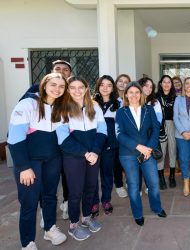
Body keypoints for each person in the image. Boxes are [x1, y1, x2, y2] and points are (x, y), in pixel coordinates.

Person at [8, 73, 68, 249]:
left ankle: (49, 229)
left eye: (61, 86)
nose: (57, 89)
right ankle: (27, 242)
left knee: (50, 197)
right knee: (29, 203)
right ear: (44, 85)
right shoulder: (27, 104)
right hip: (29, 163)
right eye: (53, 84)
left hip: (52, 160)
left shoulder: (61, 107)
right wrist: (24, 167)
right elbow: (15, 139)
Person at [20, 59, 72, 221]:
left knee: (67, 177)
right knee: (44, 183)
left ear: (70, 74)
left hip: (64, 146)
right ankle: (45, 211)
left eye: (65, 70)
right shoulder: (35, 92)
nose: (62, 72)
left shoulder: (71, 91)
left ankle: (67, 203)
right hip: (42, 149)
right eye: (58, 69)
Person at [56, 76, 106, 241]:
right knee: (75, 191)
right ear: (68, 90)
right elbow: (63, 138)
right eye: (73, 87)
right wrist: (85, 153)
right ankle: (74, 225)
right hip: (74, 157)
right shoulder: (62, 108)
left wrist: (96, 152)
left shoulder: (95, 107)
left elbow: (102, 130)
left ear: (86, 89)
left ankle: (86, 218)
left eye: (80, 87)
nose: (77, 91)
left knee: (90, 188)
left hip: (93, 155)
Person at [115, 82, 167, 226]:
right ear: (126, 94)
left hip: (148, 153)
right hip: (128, 154)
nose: (134, 95)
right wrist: (139, 147)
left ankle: (156, 207)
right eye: (130, 92)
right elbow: (119, 134)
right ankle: (137, 213)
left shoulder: (149, 109)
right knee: (133, 185)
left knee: (154, 182)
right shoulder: (121, 112)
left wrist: (148, 148)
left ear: (141, 94)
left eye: (137, 92)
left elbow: (156, 130)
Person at [91, 75, 120, 217]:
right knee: (92, 176)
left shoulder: (118, 103)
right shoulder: (90, 103)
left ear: (113, 87)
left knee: (107, 174)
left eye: (109, 85)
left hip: (110, 144)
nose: (105, 88)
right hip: (93, 145)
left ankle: (106, 200)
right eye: (102, 84)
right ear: (98, 86)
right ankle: (94, 202)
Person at [138, 77, 168, 189]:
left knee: (148, 161)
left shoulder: (154, 102)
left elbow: (159, 119)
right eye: (146, 85)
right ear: (140, 86)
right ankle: (137, 185)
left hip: (150, 136)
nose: (148, 88)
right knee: (137, 161)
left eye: (151, 87)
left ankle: (148, 185)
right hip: (136, 137)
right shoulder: (133, 100)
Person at [157, 75, 177, 188]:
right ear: (161, 84)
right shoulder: (155, 97)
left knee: (172, 150)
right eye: (164, 82)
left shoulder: (175, 97)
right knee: (162, 152)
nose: (166, 84)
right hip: (160, 126)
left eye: (169, 82)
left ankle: (172, 176)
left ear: (171, 84)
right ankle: (161, 177)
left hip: (173, 125)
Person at [114, 74, 131, 198]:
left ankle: (130, 182)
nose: (122, 84)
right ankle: (119, 185)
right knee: (117, 162)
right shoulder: (111, 98)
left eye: (126, 82)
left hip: (129, 135)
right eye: (120, 81)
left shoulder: (131, 97)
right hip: (114, 135)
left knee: (129, 159)